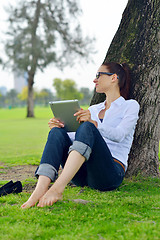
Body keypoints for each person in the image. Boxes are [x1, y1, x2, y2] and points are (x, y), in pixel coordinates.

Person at [21, 62, 140, 209]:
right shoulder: (94, 109)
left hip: (109, 174)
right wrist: (60, 128)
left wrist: (94, 124)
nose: (94, 80)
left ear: (113, 78)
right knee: (57, 133)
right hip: (83, 174)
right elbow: (79, 140)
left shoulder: (130, 106)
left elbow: (120, 135)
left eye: (99, 75)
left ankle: (57, 189)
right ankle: (39, 190)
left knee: (88, 126)